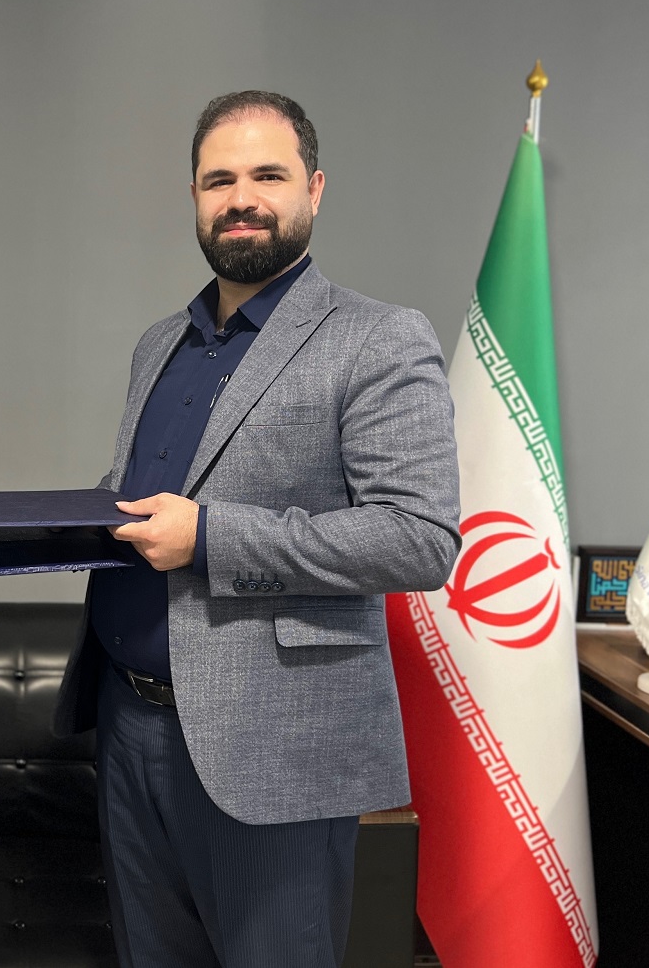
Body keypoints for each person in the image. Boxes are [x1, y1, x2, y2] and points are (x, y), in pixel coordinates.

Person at [53, 92, 461, 968]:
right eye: (219, 180)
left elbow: (418, 536)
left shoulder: (379, 338)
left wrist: (210, 537)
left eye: (267, 175)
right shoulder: (159, 343)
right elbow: (136, 501)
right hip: (129, 727)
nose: (241, 198)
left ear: (314, 188)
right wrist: (20, 529)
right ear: (195, 198)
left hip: (275, 748)